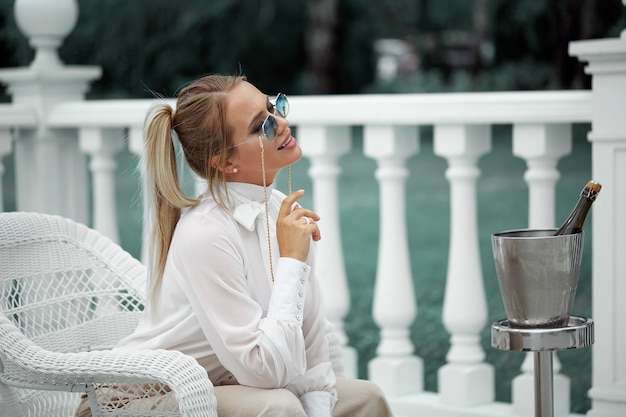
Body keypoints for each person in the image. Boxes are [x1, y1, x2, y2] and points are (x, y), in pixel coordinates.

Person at [75, 74, 393, 417]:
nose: (282, 123)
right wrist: (292, 262)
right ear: (226, 162)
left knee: (367, 398)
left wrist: (318, 409)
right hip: (135, 398)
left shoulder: (282, 212)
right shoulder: (206, 233)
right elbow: (264, 371)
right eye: (262, 126)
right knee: (278, 407)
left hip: (226, 382)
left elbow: (311, 350)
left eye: (274, 107)